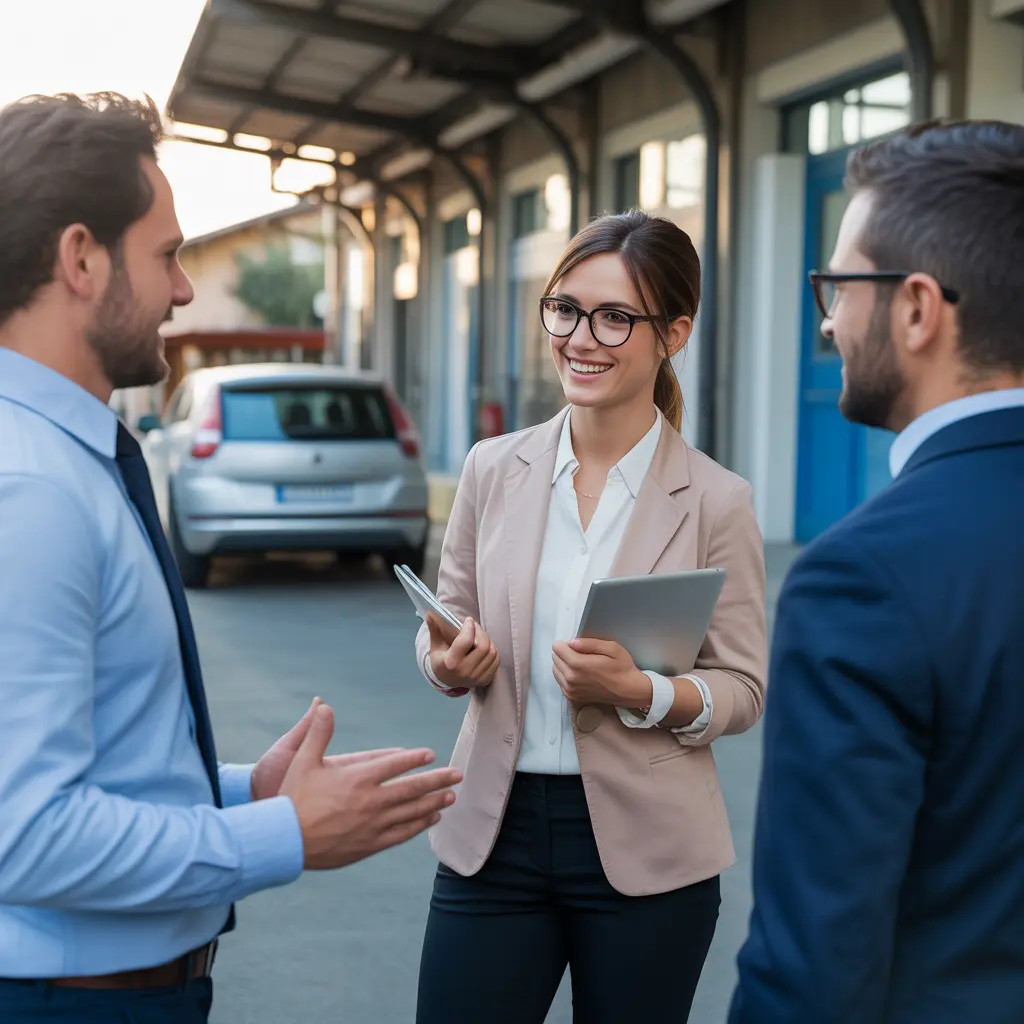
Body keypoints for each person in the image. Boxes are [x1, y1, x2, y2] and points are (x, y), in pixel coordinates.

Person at [0, 92, 461, 1023]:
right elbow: (25, 834)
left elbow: (85, 766)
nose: (183, 289)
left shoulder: (64, 461)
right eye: (166, 254)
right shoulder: (33, 489)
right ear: (80, 258)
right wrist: (281, 833)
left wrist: (245, 787)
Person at [413, 210, 768, 1024]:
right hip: (492, 836)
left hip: (648, 854)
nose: (582, 337)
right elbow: (443, 629)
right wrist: (447, 664)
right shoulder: (492, 469)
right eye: (566, 308)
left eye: (617, 317)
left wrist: (641, 690)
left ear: (673, 331)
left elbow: (743, 688)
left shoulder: (718, 500)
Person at [729, 119, 1024, 1023]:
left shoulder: (862, 579)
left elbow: (815, 965)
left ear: (918, 309)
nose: (827, 319)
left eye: (839, 285)